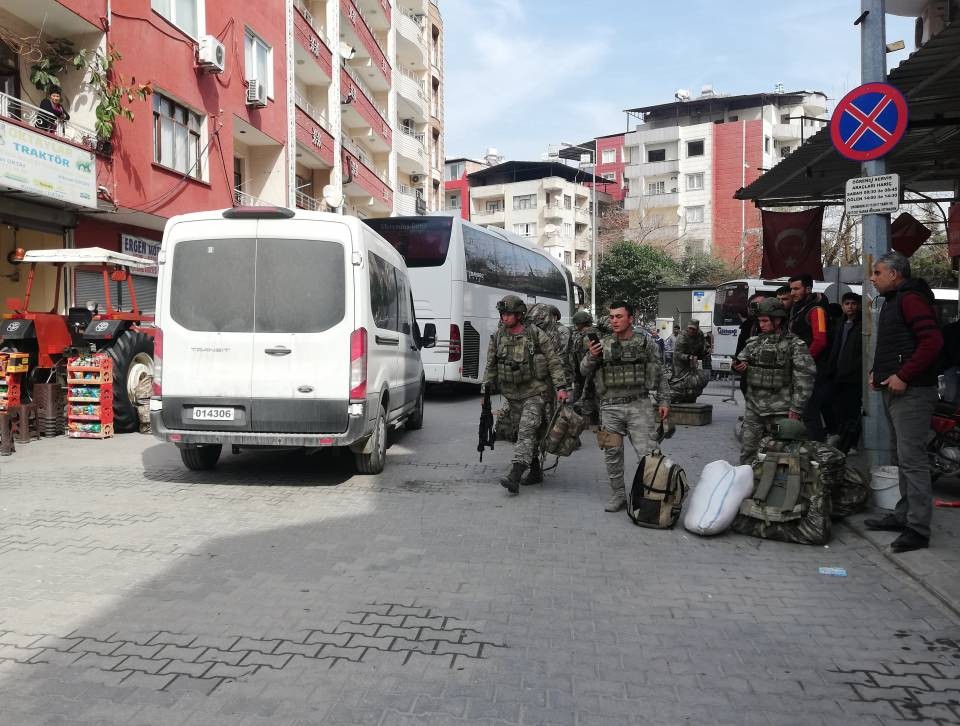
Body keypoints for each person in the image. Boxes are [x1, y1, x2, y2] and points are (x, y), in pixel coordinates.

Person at [865, 252, 943, 553]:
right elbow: (897, 345)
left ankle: (918, 529)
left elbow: (932, 342)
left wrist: (904, 375)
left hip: (912, 393)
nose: (873, 278)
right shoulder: (896, 301)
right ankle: (903, 515)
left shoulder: (911, 299)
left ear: (895, 274)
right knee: (901, 458)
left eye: (878, 272)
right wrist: (879, 372)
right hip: (896, 390)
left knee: (913, 461)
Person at [581, 301, 670, 512]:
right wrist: (592, 356)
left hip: (639, 405)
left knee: (649, 454)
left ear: (631, 318)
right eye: (611, 317)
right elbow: (583, 371)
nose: (614, 321)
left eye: (619, 316)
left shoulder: (644, 343)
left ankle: (653, 497)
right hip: (610, 408)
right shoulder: (602, 344)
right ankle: (618, 495)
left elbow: (660, 372)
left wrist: (664, 400)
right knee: (612, 454)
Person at [483, 295, 569, 493]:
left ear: (519, 314)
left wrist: (561, 388)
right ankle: (535, 469)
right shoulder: (498, 336)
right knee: (521, 433)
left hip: (535, 393)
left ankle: (515, 473)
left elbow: (553, 361)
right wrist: (485, 393)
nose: (504, 318)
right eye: (502, 314)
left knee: (526, 431)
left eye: (509, 314)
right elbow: (490, 366)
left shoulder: (536, 334)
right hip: (512, 395)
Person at [732, 298, 816, 464]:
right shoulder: (753, 343)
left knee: (782, 454)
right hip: (754, 410)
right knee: (748, 452)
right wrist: (738, 366)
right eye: (759, 321)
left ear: (777, 320)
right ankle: (748, 485)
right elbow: (740, 361)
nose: (761, 324)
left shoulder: (795, 345)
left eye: (765, 321)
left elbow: (805, 377)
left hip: (781, 412)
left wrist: (796, 408)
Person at [788, 273, 830, 440]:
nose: (792, 293)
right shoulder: (797, 308)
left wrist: (803, 362)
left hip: (811, 369)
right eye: (791, 289)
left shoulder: (816, 310)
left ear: (808, 289)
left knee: (810, 412)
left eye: (796, 289)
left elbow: (820, 341)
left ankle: (818, 450)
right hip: (801, 367)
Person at [826, 292, 862, 452]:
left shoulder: (862, 325)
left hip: (853, 376)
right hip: (837, 373)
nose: (850, 307)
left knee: (852, 412)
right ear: (842, 306)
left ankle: (852, 443)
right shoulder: (839, 324)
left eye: (853, 303)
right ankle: (841, 440)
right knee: (838, 409)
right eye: (847, 304)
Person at [569, 310, 600, 425]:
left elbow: (591, 355)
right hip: (583, 370)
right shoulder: (583, 334)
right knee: (587, 394)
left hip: (589, 370)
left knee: (588, 394)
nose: (576, 326)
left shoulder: (588, 335)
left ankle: (587, 420)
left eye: (577, 323)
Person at [670, 319, 708, 403]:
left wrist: (704, 351)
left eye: (693, 329)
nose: (691, 330)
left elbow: (702, 345)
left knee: (695, 381)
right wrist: (689, 357)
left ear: (697, 328)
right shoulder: (682, 337)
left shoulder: (700, 334)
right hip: (680, 363)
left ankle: (690, 398)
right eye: (690, 328)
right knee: (680, 383)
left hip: (693, 361)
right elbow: (677, 354)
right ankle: (673, 398)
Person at [736, 293, 767, 395]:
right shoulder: (748, 326)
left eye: (761, 304)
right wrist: (737, 363)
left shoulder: (778, 326)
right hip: (750, 377)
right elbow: (740, 350)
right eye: (754, 305)